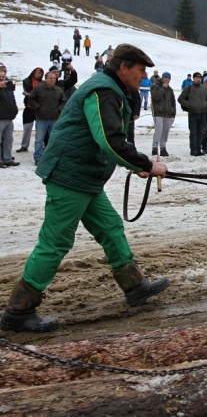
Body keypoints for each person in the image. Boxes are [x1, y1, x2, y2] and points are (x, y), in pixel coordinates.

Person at [0, 44, 169, 333]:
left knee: (110, 227)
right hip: (70, 176)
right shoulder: (103, 92)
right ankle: (19, 309)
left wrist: (137, 164)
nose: (144, 77)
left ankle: (134, 286)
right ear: (123, 68)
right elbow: (109, 139)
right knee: (55, 242)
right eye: (141, 71)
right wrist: (145, 164)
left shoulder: (109, 89)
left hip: (85, 176)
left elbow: (109, 140)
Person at [30, 70, 67, 165]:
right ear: (46, 78)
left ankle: (51, 157)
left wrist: (59, 109)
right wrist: (38, 108)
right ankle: (38, 157)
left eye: (54, 78)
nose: (52, 80)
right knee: (39, 139)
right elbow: (31, 99)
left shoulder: (59, 90)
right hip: (41, 118)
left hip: (54, 118)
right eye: (50, 78)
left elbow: (64, 101)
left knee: (53, 139)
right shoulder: (38, 89)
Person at [178, 71, 207, 156]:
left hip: (202, 113)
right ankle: (193, 150)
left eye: (200, 78)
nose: (198, 79)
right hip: (193, 113)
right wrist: (189, 105)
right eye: (197, 78)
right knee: (193, 133)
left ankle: (199, 150)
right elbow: (180, 99)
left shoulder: (204, 89)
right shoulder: (188, 88)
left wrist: (206, 105)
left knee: (201, 133)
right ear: (193, 79)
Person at [16, 67, 45, 153]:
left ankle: (42, 145)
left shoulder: (43, 83)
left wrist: (31, 94)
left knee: (41, 128)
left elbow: (34, 94)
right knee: (27, 128)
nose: (39, 75)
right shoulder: (27, 81)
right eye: (38, 73)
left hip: (39, 108)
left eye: (41, 73)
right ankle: (24, 145)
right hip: (29, 107)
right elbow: (29, 91)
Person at [150, 71, 176, 157]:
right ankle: (155, 147)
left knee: (165, 132)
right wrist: (163, 88)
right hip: (158, 113)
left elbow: (173, 102)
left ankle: (163, 148)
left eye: (168, 78)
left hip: (168, 114)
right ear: (162, 78)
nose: (167, 79)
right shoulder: (155, 86)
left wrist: (173, 113)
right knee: (158, 131)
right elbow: (156, 97)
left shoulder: (170, 90)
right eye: (166, 78)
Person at [0, 66, 20, 167]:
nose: (2, 78)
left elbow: (12, 99)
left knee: (8, 140)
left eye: (3, 76)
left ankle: (7, 158)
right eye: (0, 77)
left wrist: (15, 110)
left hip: (9, 118)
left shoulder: (8, 87)